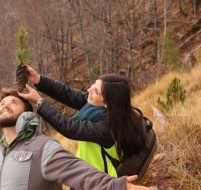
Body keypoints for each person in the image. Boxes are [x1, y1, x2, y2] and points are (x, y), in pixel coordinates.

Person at [0, 87, 149, 190]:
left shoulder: (42, 147)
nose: (5, 105)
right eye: (2, 103)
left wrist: (116, 186)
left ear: (26, 113)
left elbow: (78, 172)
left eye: (13, 103)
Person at [18, 66, 153, 179]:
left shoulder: (107, 128)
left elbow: (69, 128)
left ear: (108, 103)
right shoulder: (103, 108)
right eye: (93, 85)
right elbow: (68, 94)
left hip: (99, 181)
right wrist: (38, 80)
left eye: (96, 91)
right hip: (87, 173)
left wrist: (40, 102)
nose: (89, 91)